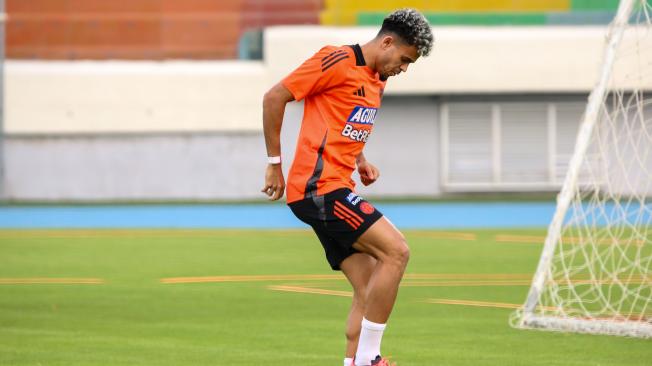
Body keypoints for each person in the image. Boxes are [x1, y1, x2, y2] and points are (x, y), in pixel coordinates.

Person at [261, 8, 433, 366]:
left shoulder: (376, 79)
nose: (403, 69)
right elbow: (274, 97)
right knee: (397, 251)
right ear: (386, 42)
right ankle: (371, 358)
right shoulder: (335, 59)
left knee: (368, 287)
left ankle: (354, 362)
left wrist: (360, 160)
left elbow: (342, 119)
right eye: (404, 59)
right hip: (318, 188)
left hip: (334, 185)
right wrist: (275, 164)